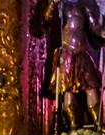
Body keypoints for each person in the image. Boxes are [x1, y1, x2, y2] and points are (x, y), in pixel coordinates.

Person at [44, 0, 105, 128]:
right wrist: (53, 3)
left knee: (92, 87)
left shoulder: (84, 5)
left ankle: (98, 124)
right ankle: (73, 126)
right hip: (66, 52)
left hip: (81, 52)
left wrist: (102, 33)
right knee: (68, 89)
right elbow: (47, 18)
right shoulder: (61, 5)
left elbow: (94, 26)